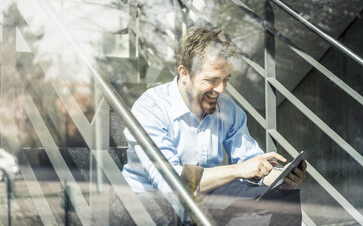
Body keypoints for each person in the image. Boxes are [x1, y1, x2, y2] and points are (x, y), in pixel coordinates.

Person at [120, 27, 307, 225]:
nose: (220, 89)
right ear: (184, 73)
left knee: (281, 196)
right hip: (150, 199)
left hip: (206, 193)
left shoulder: (227, 108)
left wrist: (280, 177)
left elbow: (250, 162)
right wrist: (237, 170)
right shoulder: (151, 107)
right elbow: (171, 183)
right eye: (211, 80)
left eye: (225, 80)